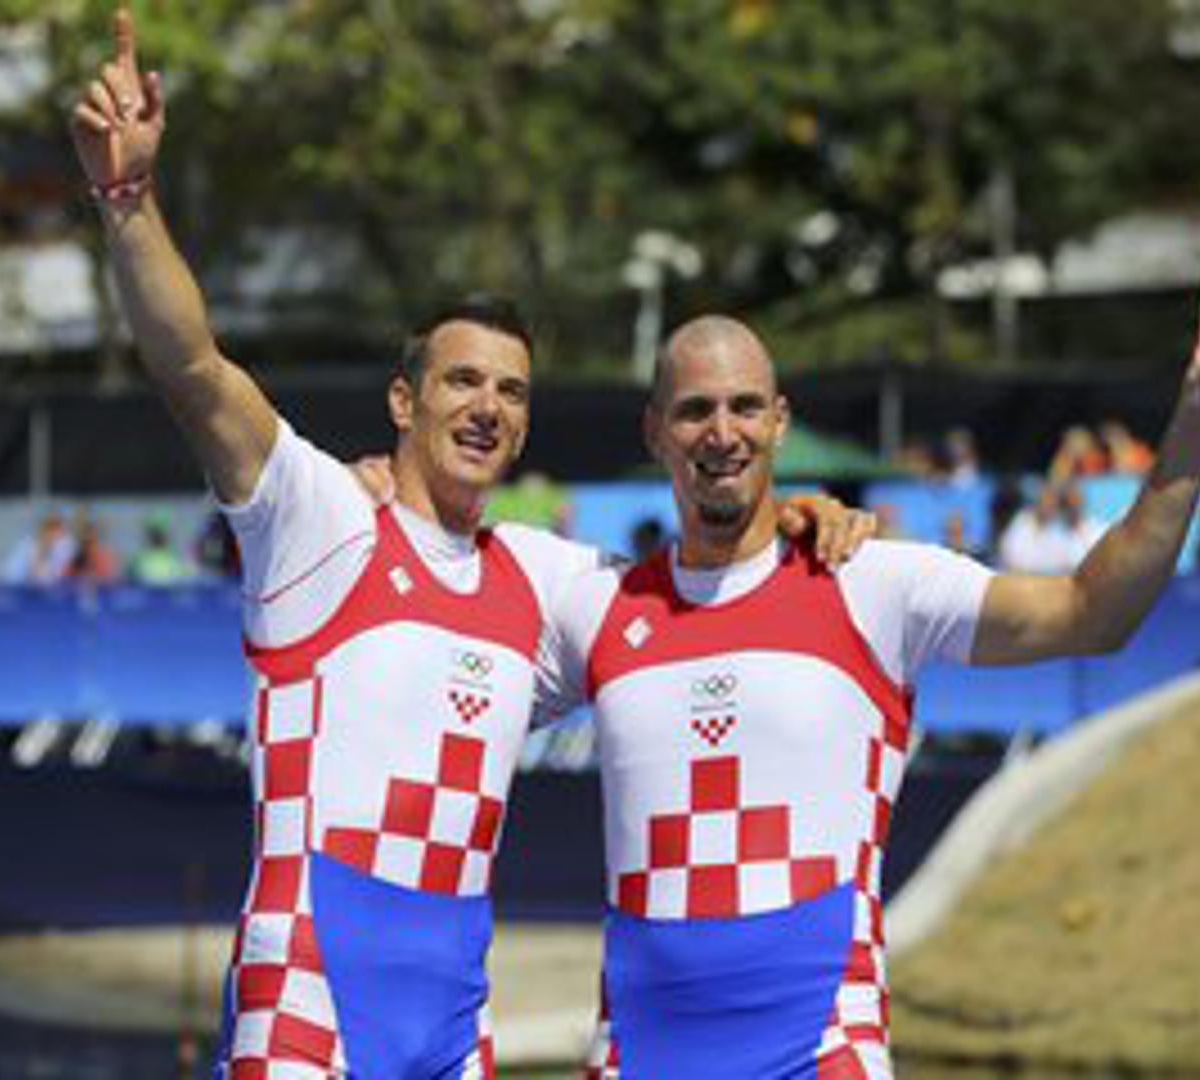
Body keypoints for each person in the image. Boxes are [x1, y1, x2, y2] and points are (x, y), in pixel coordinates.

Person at [69, 11, 870, 1076]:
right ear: (404, 401)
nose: (488, 407)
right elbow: (197, 372)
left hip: (455, 1034)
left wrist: (799, 515)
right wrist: (128, 197)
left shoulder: (548, 580)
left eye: (512, 391)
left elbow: (708, 586)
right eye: (461, 381)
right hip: (308, 999)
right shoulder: (319, 519)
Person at [545, 269, 1200, 1079]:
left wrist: (1195, 436)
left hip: (821, 1055)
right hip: (636, 1059)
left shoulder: (872, 581)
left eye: (744, 406)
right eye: (694, 410)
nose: (722, 432)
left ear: (779, 421)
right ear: (653, 431)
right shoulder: (598, 607)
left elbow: (1090, 611)